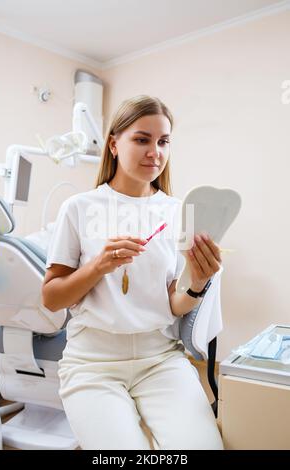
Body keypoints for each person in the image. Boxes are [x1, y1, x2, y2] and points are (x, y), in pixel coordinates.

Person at [42, 95, 224, 450]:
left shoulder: (178, 211)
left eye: (163, 141)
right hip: (93, 364)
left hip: (161, 359)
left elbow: (173, 304)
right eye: (142, 139)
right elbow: (51, 299)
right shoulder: (79, 208)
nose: (155, 151)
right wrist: (98, 266)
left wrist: (197, 285)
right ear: (113, 144)